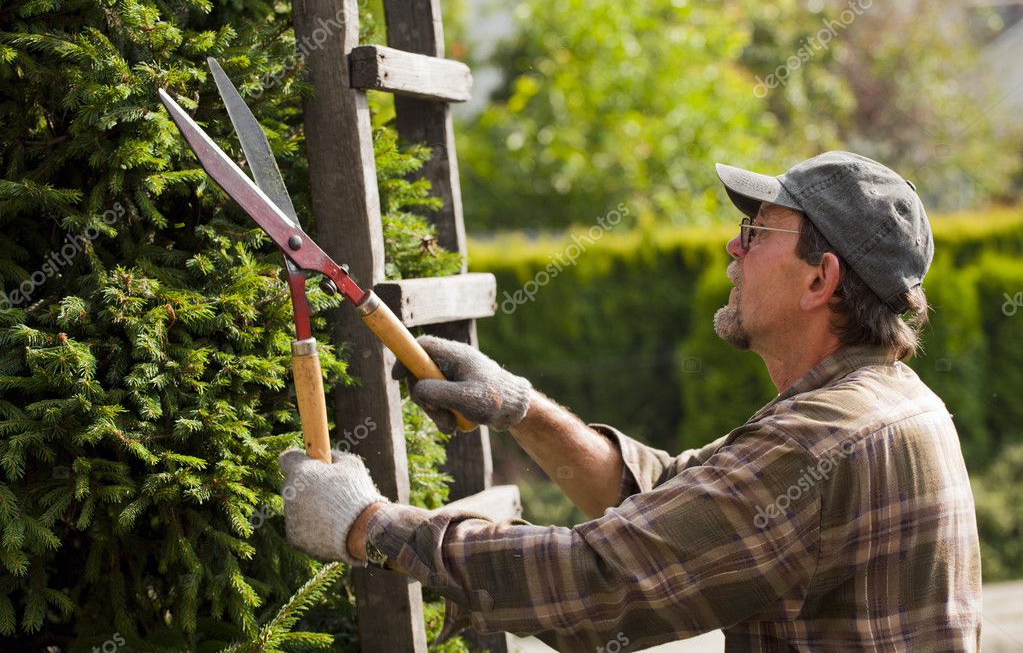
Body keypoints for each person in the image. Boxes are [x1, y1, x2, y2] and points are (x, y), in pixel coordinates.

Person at [278, 151, 982, 651]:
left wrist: (369, 525)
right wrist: (521, 407)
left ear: (818, 279)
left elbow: (598, 587)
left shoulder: (820, 439)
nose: (731, 249)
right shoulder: (888, 404)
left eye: (756, 233)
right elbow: (673, 500)